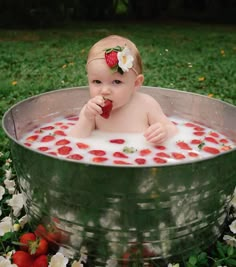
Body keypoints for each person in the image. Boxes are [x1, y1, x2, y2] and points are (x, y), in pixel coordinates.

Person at [69, 35, 177, 145]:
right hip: (104, 157)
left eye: (116, 82)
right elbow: (76, 138)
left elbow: (172, 129)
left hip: (138, 157)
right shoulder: (91, 110)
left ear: (136, 83)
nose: (105, 90)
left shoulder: (146, 105)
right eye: (97, 82)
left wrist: (165, 132)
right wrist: (87, 118)